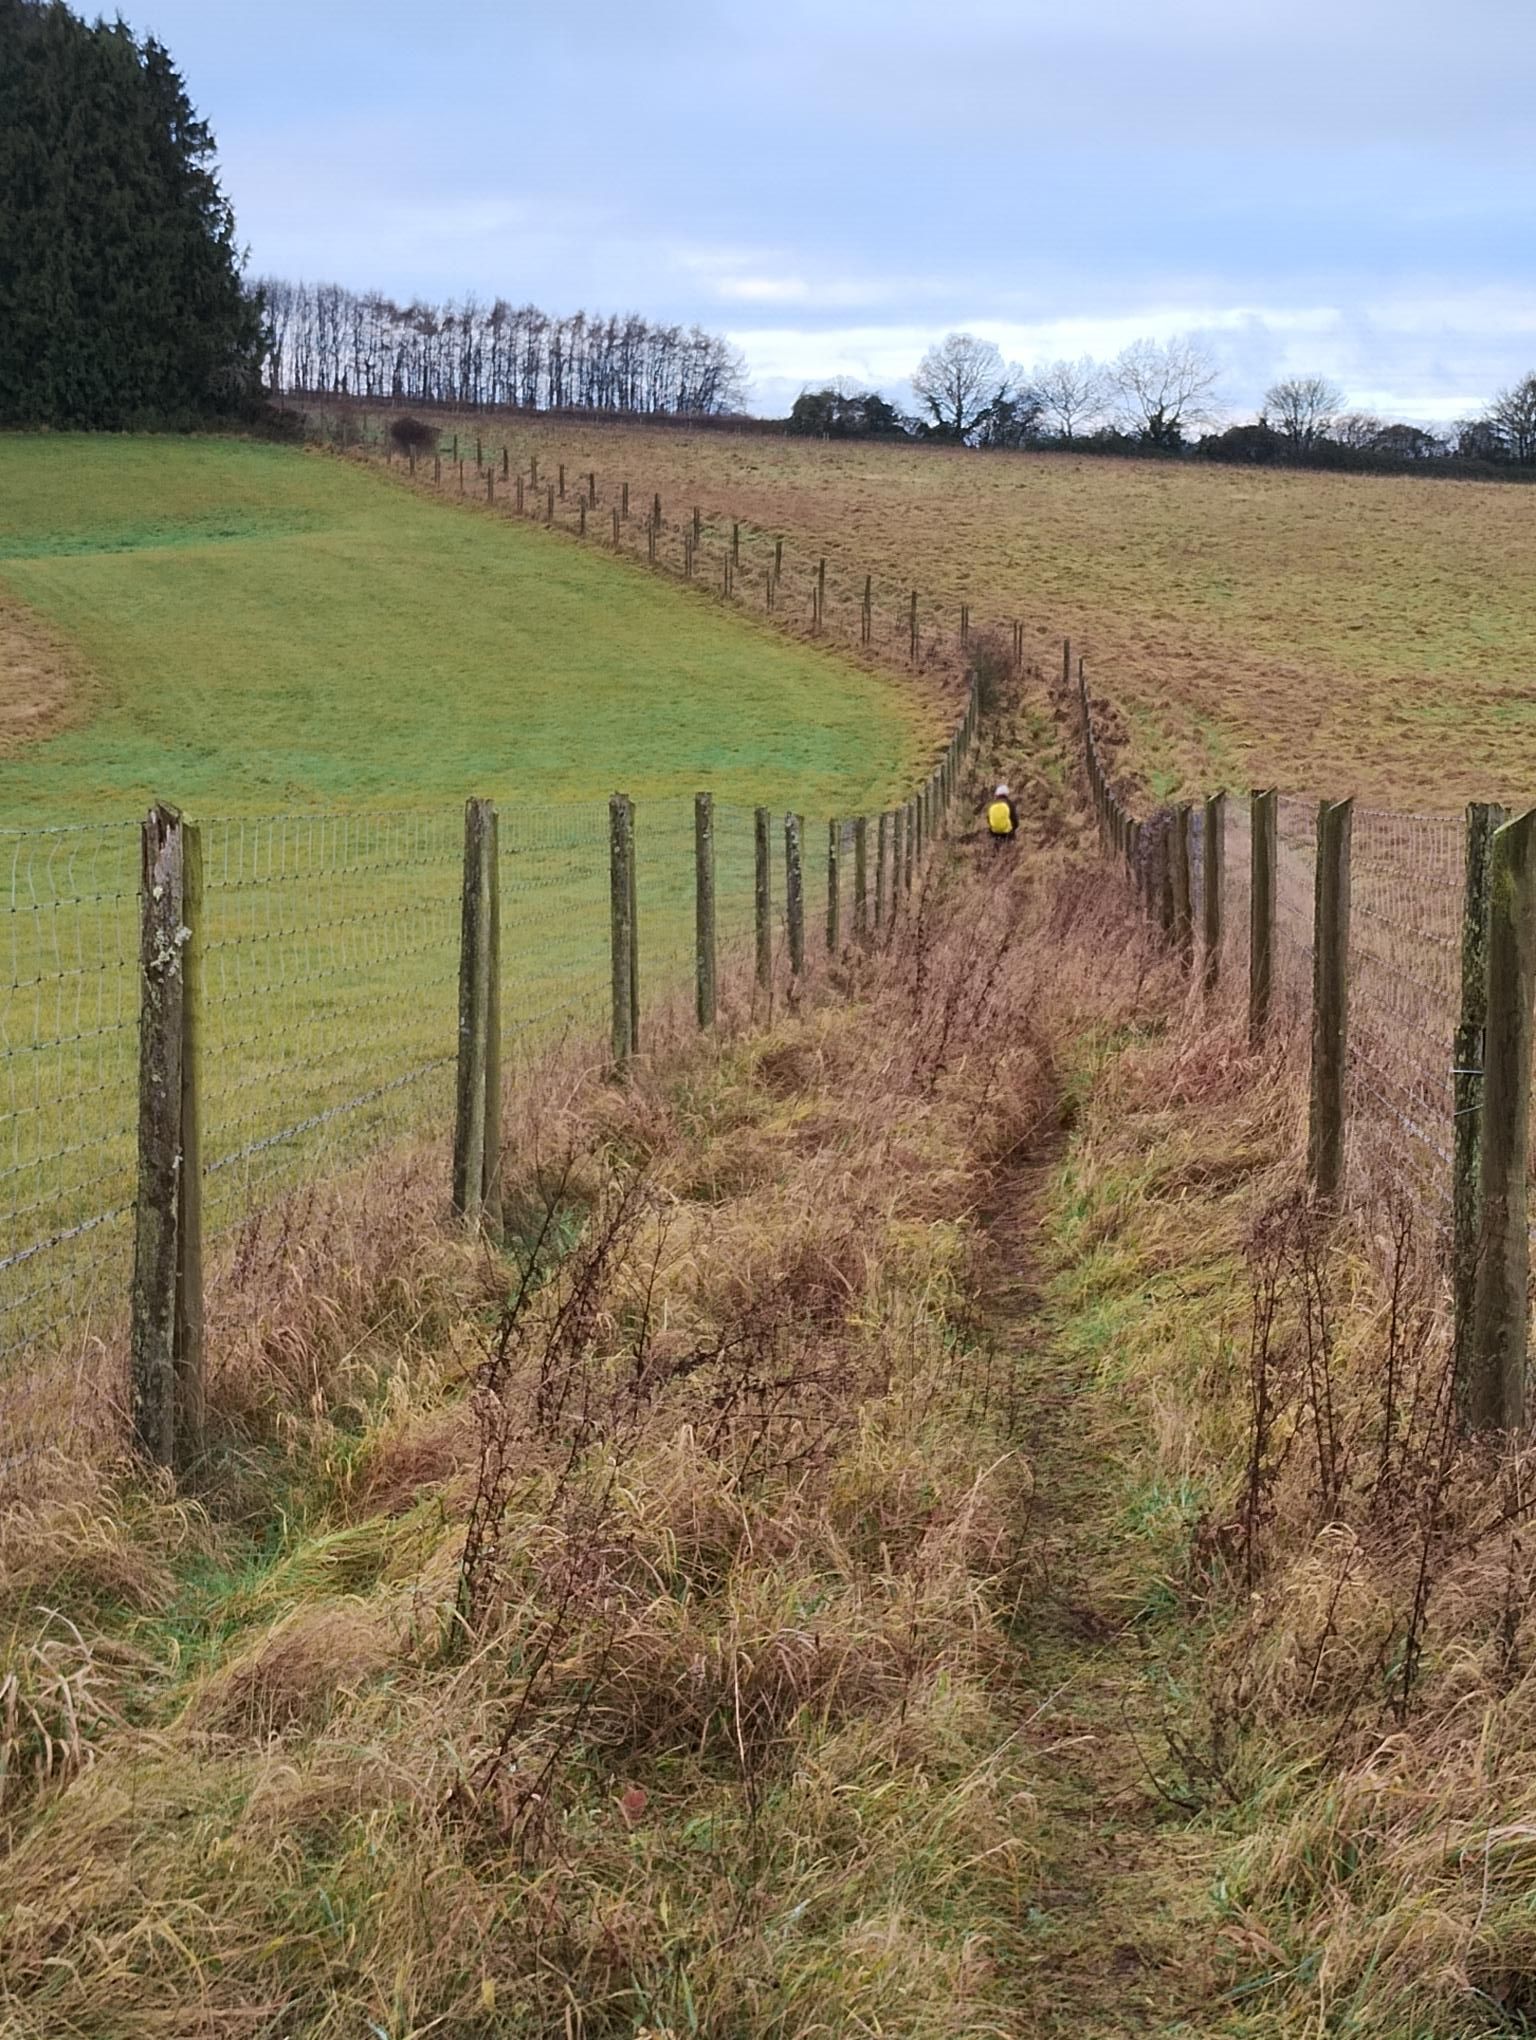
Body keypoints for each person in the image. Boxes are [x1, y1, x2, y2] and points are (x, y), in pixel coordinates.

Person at [986, 782, 1020, 847]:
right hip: (1007, 832)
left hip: (994, 831)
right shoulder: (1010, 803)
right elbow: (1015, 819)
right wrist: (1014, 828)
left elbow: (988, 819)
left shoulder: (991, 804)